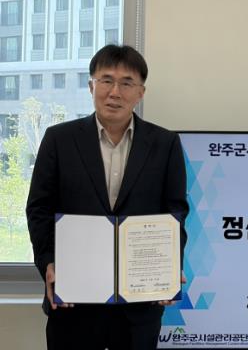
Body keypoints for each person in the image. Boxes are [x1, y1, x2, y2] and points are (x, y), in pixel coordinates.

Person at [26, 44, 189, 350]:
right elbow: (39, 209)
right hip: (74, 304)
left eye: (127, 83)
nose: (115, 92)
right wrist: (48, 262)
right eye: (106, 80)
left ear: (140, 93)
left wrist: (168, 267)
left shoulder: (165, 144)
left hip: (138, 309)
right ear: (92, 86)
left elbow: (175, 213)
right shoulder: (59, 139)